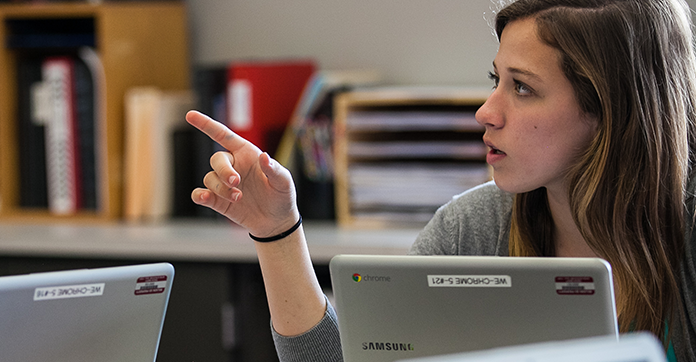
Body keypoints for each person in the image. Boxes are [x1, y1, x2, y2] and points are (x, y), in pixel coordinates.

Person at [186, 0, 696, 361]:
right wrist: (276, 230)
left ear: (613, 113)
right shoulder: (471, 230)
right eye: (495, 80)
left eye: (522, 88)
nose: (485, 111)